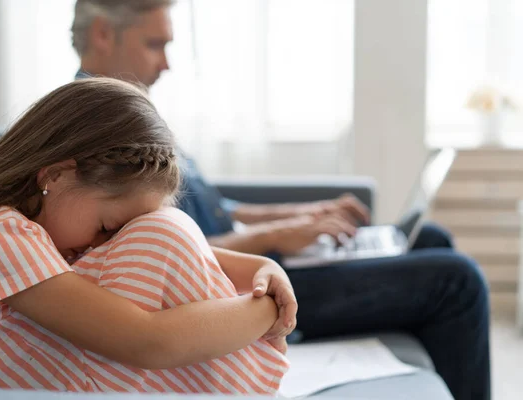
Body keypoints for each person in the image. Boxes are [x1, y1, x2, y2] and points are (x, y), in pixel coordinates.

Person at [70, 1, 491, 399]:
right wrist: (278, 234)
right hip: (232, 284)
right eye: (154, 44)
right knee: (459, 281)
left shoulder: (132, 114)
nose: (166, 63)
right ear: (104, 34)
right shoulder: (95, 131)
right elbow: (150, 251)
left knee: (429, 238)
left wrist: (302, 215)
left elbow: (216, 209)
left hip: (249, 260)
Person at [0, 78, 295, 393]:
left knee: (166, 227)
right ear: (55, 175)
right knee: (164, 232)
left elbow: (218, 261)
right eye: (108, 228)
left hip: (71, 383)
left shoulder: (19, 231)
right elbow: (148, 342)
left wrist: (266, 268)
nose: (106, 244)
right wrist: (267, 310)